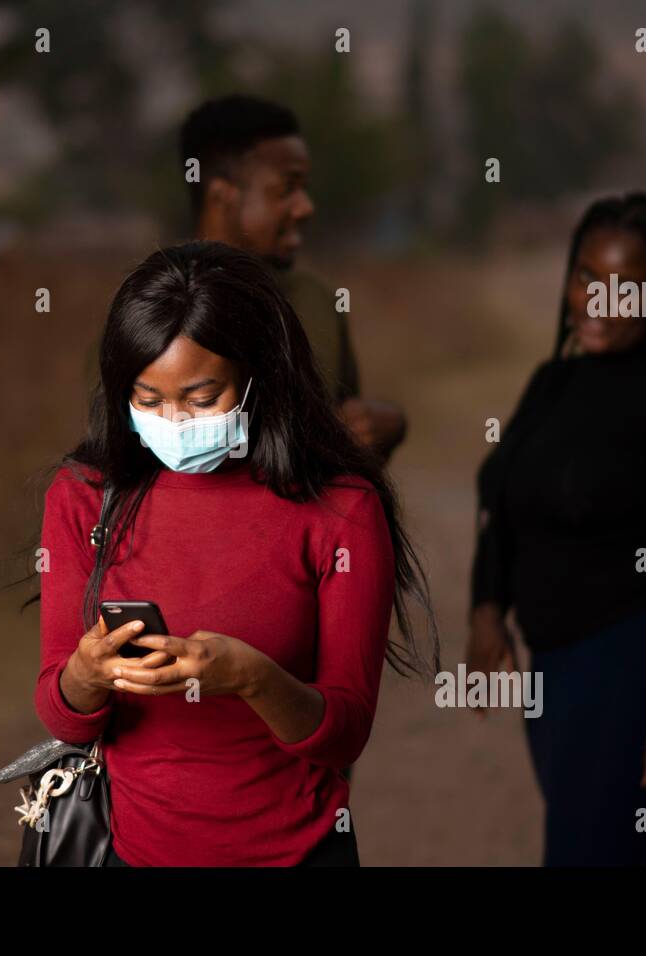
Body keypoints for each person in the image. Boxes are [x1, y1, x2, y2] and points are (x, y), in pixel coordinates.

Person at [34, 241, 436, 866]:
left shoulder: (342, 509)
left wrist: (251, 678)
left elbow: (344, 733)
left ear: (260, 378)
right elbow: (64, 717)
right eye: (148, 399)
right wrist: (86, 675)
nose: (174, 421)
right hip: (129, 850)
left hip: (298, 855)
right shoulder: (84, 498)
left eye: (201, 399)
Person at [466, 193, 646, 866]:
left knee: (586, 850)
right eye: (586, 276)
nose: (595, 301)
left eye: (626, 287)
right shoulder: (552, 382)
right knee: (620, 848)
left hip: (636, 662)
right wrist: (486, 607)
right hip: (557, 667)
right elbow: (501, 502)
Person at [179, 95, 408, 463]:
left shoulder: (317, 302)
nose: (306, 206)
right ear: (221, 197)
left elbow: (349, 453)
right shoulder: (151, 307)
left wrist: (387, 427)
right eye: (287, 188)